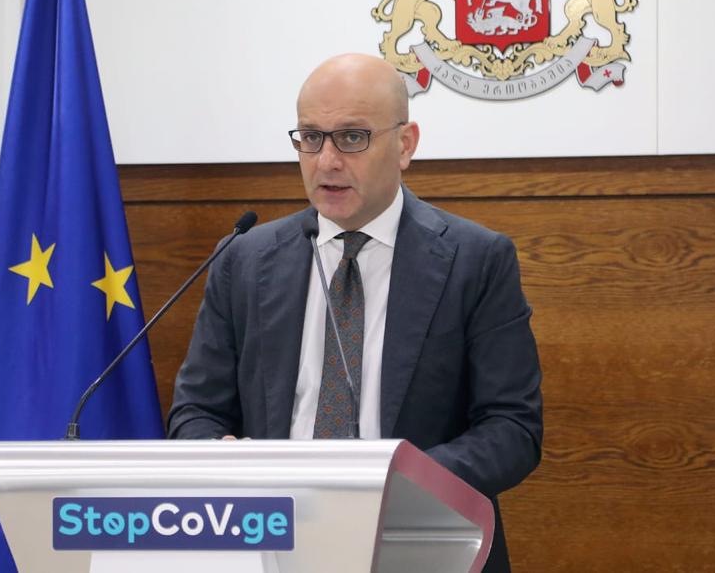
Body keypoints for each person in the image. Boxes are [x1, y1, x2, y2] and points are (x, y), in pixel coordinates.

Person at [167, 53, 542, 572]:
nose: (326, 161)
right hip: (273, 543)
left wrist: (398, 486)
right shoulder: (244, 260)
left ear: (405, 144)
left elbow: (512, 428)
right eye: (310, 137)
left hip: (418, 542)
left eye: (351, 137)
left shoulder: (475, 260)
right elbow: (195, 411)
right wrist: (224, 458)